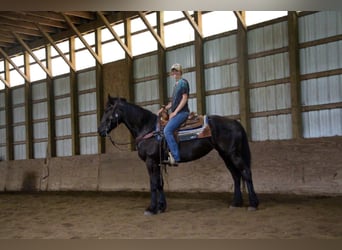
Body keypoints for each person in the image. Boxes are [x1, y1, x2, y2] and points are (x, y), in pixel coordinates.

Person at [158, 63, 190, 166]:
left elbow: (184, 98)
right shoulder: (176, 85)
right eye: (173, 71)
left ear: (180, 72)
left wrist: (175, 112)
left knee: (167, 130)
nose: (174, 73)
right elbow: (173, 103)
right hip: (177, 113)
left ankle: (176, 157)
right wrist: (163, 109)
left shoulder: (183, 83)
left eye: (176, 71)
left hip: (182, 113)